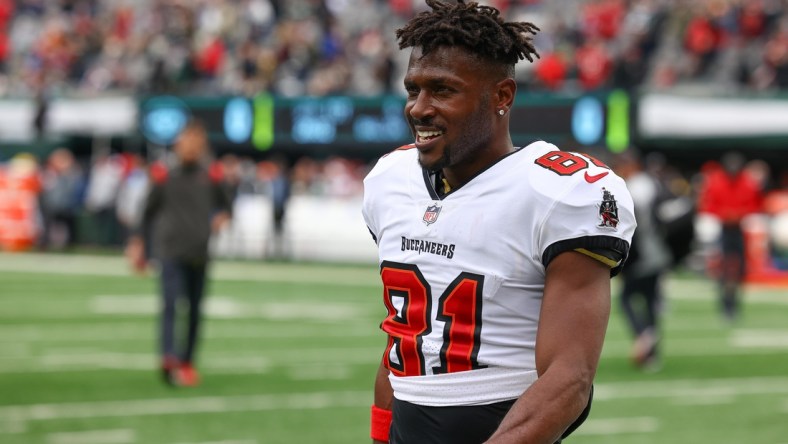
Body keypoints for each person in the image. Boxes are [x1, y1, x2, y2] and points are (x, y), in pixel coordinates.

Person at [361, 1, 636, 443]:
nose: (418, 108)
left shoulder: (559, 192)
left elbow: (570, 379)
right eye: (414, 89)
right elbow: (404, 343)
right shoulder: (390, 180)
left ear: (502, 96)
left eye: (442, 90)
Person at [125, 118, 232, 387]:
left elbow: (227, 204)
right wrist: (139, 244)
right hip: (170, 249)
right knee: (170, 305)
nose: (191, 147)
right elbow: (147, 213)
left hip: (199, 249)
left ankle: (187, 360)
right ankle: (169, 357)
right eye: (187, 140)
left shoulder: (212, 174)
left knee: (195, 309)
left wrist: (222, 216)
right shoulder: (164, 174)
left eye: (197, 141)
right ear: (178, 143)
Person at [612, 149, 672, 370]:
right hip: (657, 251)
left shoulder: (635, 187)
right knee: (649, 301)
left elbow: (631, 224)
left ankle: (643, 335)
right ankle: (652, 354)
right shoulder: (652, 184)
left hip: (642, 253)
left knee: (627, 298)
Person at [697, 151, 763, 322]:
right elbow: (708, 205)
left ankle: (734, 303)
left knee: (740, 268)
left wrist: (737, 214)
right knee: (724, 268)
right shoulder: (716, 181)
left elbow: (754, 205)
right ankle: (725, 304)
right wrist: (725, 214)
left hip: (739, 229)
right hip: (722, 229)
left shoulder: (747, 182)